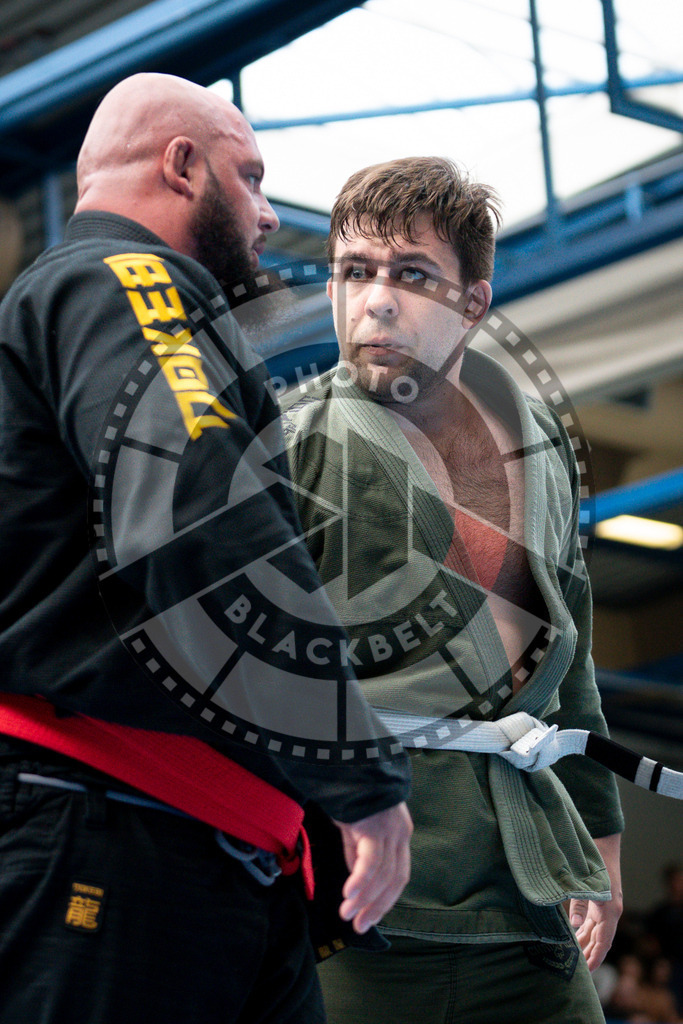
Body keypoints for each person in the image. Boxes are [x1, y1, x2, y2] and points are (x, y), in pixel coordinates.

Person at [0, 74, 412, 1024]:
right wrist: (352, 771)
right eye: (251, 176)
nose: (268, 214)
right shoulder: (122, 279)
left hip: (205, 846)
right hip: (113, 829)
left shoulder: (85, 309)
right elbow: (194, 511)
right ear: (181, 166)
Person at [281, 156, 625, 1023]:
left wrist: (604, 852)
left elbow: (569, 655)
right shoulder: (285, 445)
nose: (376, 299)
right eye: (353, 271)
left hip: (524, 886)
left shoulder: (536, 448)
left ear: (472, 302)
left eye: (411, 274)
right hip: (359, 899)